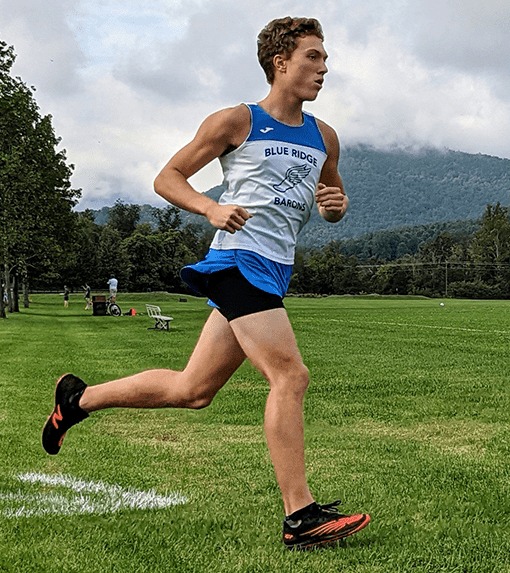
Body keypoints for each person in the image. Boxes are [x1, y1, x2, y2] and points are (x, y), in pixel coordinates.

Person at [41, 17, 369, 551]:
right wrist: (209, 207)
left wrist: (336, 207)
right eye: (313, 57)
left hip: (274, 268)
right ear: (280, 62)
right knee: (290, 374)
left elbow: (330, 202)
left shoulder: (324, 137)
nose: (324, 68)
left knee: (193, 390)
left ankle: (77, 401)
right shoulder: (237, 121)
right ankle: (300, 516)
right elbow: (168, 177)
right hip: (237, 260)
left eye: (325, 59)